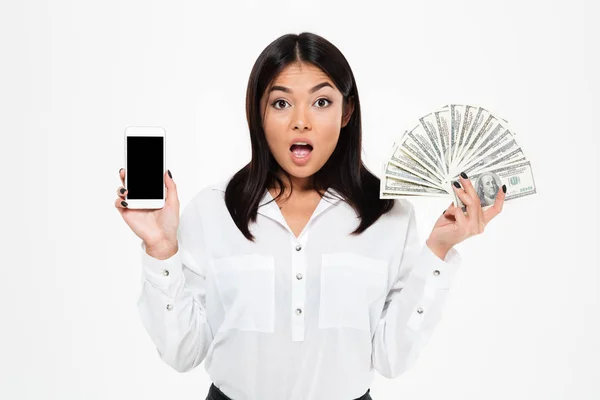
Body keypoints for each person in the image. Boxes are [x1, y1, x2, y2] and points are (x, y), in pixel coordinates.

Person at [115, 32, 506, 400]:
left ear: (346, 110)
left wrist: (438, 250)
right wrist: (161, 248)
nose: (301, 121)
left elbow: (391, 359)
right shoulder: (213, 209)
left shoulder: (388, 215)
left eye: (321, 102)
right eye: (281, 103)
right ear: (258, 112)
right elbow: (183, 353)